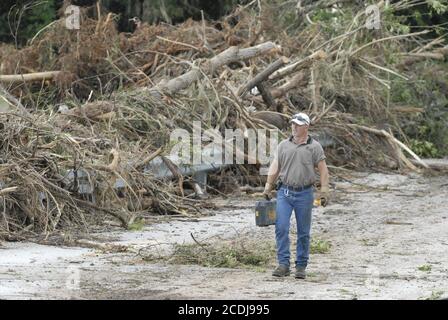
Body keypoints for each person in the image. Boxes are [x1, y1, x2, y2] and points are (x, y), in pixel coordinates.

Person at [263, 112, 330, 279]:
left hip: (305, 194)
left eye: (298, 124)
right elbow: (275, 166)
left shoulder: (314, 147)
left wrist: (324, 191)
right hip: (284, 192)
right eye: (293, 123)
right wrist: (268, 186)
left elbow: (323, 170)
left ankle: (301, 266)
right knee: (281, 227)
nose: (294, 126)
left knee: (303, 232)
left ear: (306, 127)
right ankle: (283, 264)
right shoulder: (283, 145)